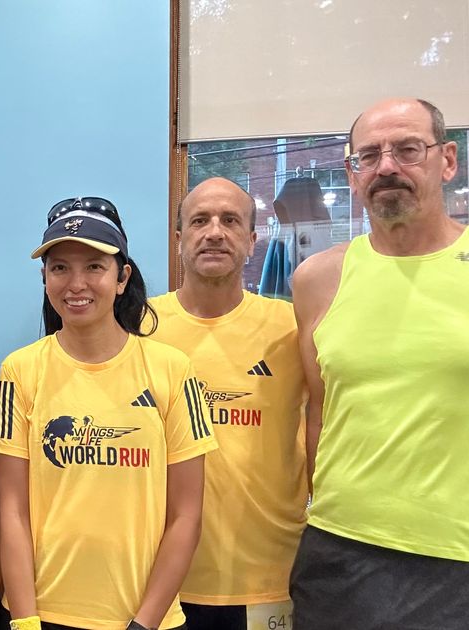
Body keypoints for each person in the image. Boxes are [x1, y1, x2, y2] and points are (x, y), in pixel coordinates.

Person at [289, 98, 469, 629]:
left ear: (447, 160)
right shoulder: (316, 279)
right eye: (369, 156)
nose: (386, 166)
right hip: (340, 561)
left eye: (408, 150)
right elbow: (321, 414)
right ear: (353, 174)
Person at [0, 197, 217, 630]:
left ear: (121, 277)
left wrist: (144, 623)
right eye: (60, 268)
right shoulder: (19, 370)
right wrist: (25, 620)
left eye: (94, 266)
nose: (76, 284)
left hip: (145, 619)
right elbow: (12, 511)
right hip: (41, 615)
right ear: (44, 278)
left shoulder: (173, 370)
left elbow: (186, 516)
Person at [148, 178, 307, 630]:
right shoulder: (140, 328)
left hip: (268, 579)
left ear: (252, 241)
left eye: (230, 221)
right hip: (158, 581)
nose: (214, 232)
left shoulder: (292, 328)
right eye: (200, 221)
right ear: (178, 239)